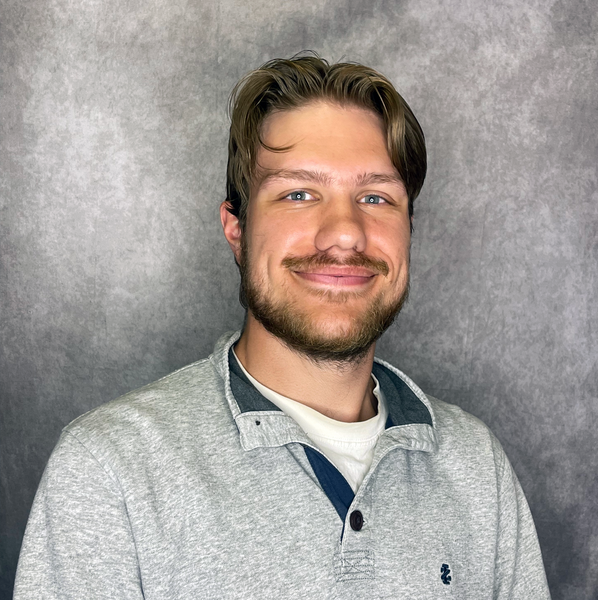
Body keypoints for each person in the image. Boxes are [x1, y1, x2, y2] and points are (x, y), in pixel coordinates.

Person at [14, 54, 551, 599]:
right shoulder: (111, 469)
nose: (344, 233)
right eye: (298, 194)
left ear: (408, 228)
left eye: (375, 197)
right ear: (237, 229)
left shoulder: (476, 465)